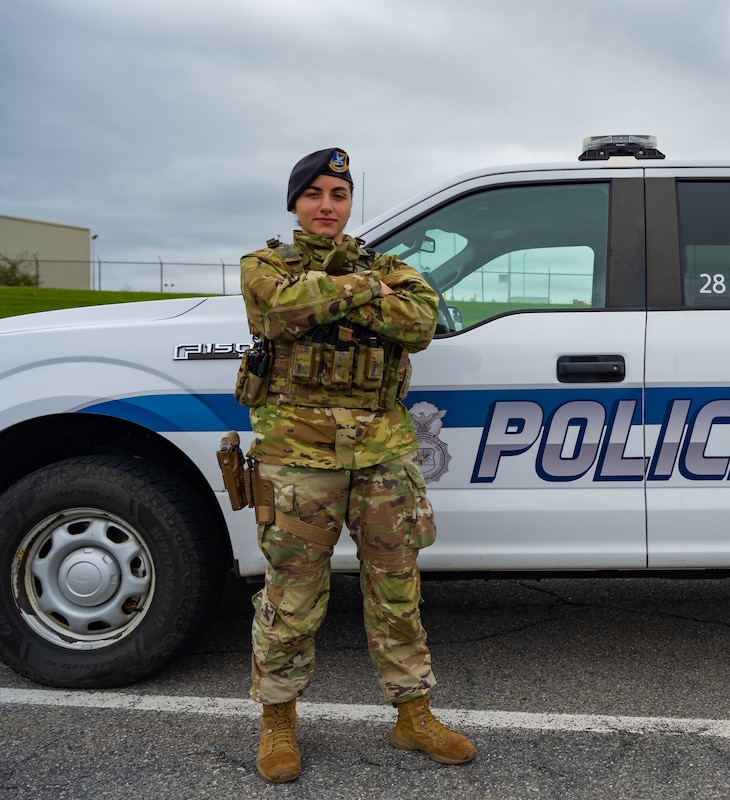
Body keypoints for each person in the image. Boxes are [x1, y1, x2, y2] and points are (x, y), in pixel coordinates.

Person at [237, 147, 475, 783]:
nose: (326, 206)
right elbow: (276, 311)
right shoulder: (263, 265)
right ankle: (279, 721)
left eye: (338, 195)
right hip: (297, 454)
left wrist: (332, 294)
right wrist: (365, 290)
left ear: (349, 203)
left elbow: (422, 320)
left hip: (384, 453)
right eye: (314, 194)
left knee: (396, 587)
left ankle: (413, 715)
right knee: (293, 592)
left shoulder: (393, 265)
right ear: (295, 203)